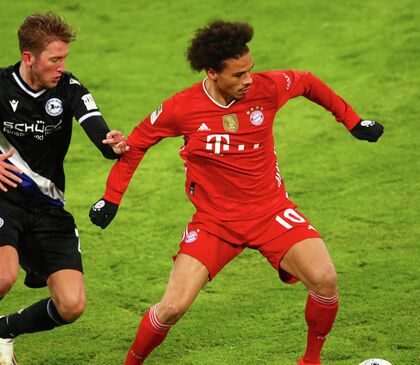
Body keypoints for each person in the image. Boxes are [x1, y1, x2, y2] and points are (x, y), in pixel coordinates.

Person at [89, 20, 383, 365]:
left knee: (325, 279)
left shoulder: (267, 88)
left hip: (270, 211)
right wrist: (111, 197)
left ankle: (310, 361)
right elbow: (135, 145)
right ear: (212, 72)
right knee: (171, 308)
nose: (248, 80)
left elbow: (306, 81)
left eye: (250, 71)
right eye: (238, 75)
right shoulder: (182, 107)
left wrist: (352, 120)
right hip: (215, 223)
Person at [0, 11, 128, 365]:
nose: (62, 67)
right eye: (55, 59)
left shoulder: (68, 87)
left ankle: (5, 329)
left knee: (72, 304)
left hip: (48, 209)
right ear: (29, 58)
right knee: (2, 276)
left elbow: (100, 134)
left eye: (64, 58)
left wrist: (112, 142)